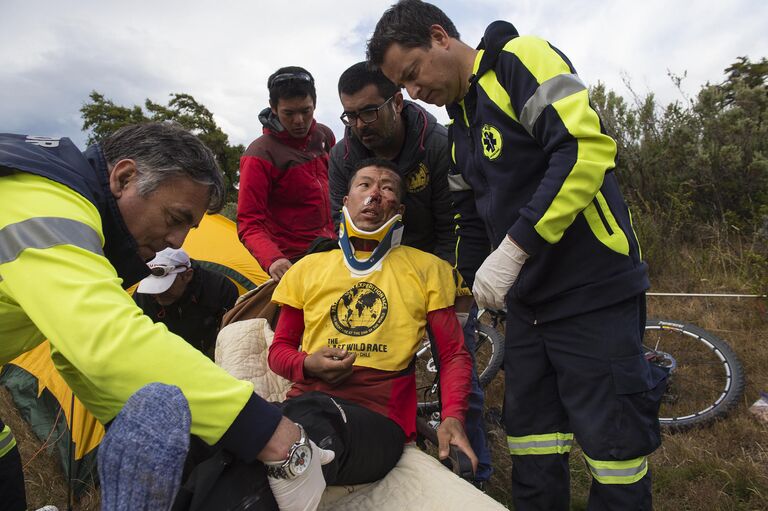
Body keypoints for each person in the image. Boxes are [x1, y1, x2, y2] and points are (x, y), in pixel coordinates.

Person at [367, 2, 668, 510]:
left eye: (413, 74)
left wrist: (517, 246)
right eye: (405, 86)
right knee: (532, 443)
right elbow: (467, 219)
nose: (415, 93)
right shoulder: (458, 130)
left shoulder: (518, 60)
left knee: (613, 450)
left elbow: (583, 150)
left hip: (591, 290)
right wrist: (451, 288)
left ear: (440, 37)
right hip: (528, 309)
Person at [0, 123, 331, 511]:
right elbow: (106, 340)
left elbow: (70, 353)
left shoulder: (59, 194)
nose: (177, 241)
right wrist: (266, 429)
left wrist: (169, 433)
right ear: (124, 178)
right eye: (175, 218)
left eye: (188, 228)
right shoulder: (44, 206)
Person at [328, 61, 492, 485]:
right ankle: (373, 459)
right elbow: (340, 219)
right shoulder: (343, 155)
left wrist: (448, 288)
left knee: (457, 362)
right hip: (369, 271)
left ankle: (472, 475)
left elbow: (456, 222)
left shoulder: (438, 143)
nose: (359, 124)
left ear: (397, 102)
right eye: (350, 115)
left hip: (437, 267)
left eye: (369, 111)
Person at [268, 158, 478, 487]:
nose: (375, 194)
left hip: (378, 419)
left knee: (307, 423)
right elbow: (278, 351)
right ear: (346, 201)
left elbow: (452, 354)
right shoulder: (306, 269)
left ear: (401, 211)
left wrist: (453, 417)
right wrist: (308, 363)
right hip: (303, 406)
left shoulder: (429, 270)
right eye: (364, 185)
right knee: (241, 437)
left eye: (388, 187)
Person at [238, 66, 336, 282]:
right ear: (273, 108)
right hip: (294, 262)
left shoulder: (324, 136)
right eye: (289, 113)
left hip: (337, 251)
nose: (299, 120)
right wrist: (273, 259)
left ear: (315, 104)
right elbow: (248, 222)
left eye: (306, 110)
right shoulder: (259, 155)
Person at [133, 247, 239, 359]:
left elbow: (233, 336)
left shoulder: (220, 288)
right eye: (152, 289)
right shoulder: (143, 294)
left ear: (187, 275)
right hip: (161, 355)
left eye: (163, 288)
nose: (156, 295)